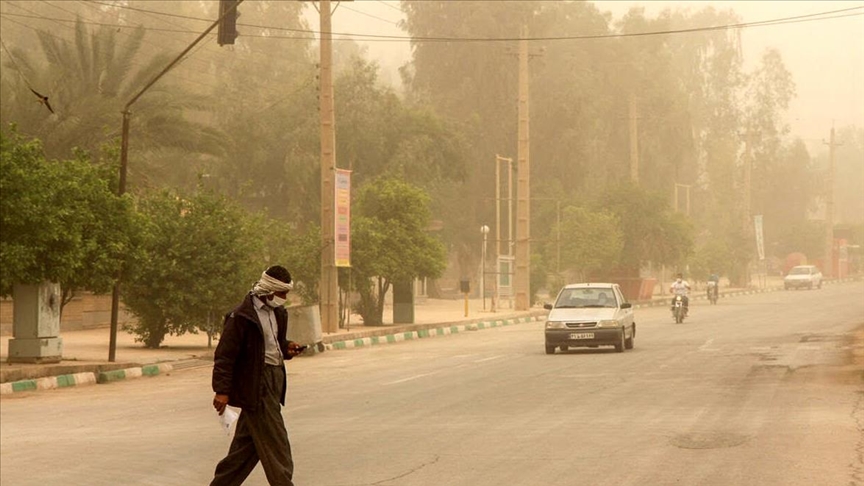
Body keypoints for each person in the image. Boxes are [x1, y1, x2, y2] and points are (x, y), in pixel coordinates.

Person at [210, 265, 305, 486]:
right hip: (256, 384)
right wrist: (222, 391)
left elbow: (273, 345)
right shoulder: (241, 317)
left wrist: (287, 347)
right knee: (277, 446)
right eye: (282, 294)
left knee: (244, 450)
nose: (285, 298)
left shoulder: (279, 313)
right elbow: (225, 356)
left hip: (274, 381)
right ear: (270, 290)